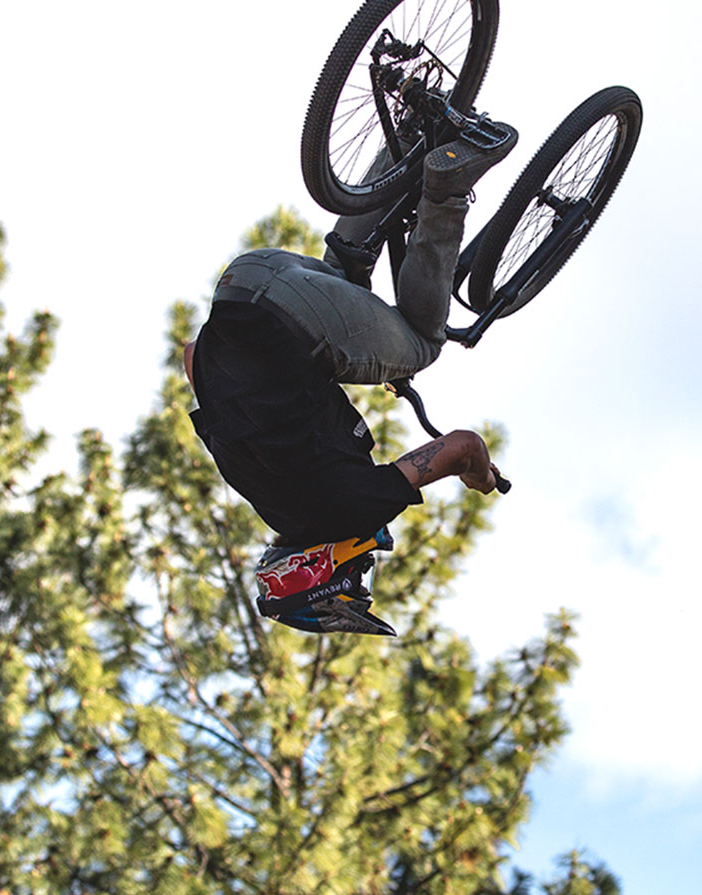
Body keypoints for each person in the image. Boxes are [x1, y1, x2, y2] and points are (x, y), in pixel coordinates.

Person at [184, 122, 517, 637]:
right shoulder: (256, 485)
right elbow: (192, 359)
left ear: (318, 572)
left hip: (298, 319)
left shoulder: (344, 511)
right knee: (343, 274)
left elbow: (461, 446)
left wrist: (480, 476)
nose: (363, 566)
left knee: (421, 346)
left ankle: (447, 185)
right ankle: (407, 130)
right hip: (243, 282)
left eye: (354, 578)